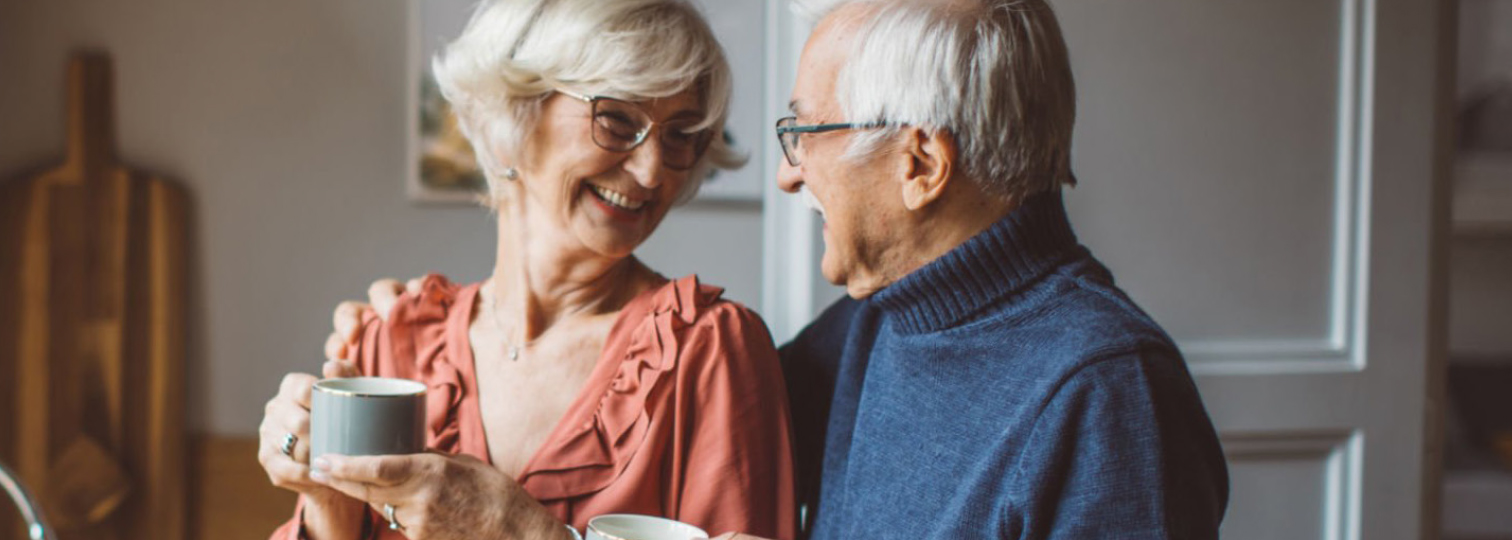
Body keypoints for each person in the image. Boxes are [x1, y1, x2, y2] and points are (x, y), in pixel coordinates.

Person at [337, 0, 1231, 537]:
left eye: (804, 132)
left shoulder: (1109, 396)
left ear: (921, 163)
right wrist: (408, 336)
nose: (786, 172)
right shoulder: (874, 330)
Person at [256, 1, 798, 539]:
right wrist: (321, 491)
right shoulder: (395, 340)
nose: (652, 170)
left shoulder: (707, 352)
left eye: (679, 135)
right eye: (616, 119)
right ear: (509, 117)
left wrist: (522, 532)